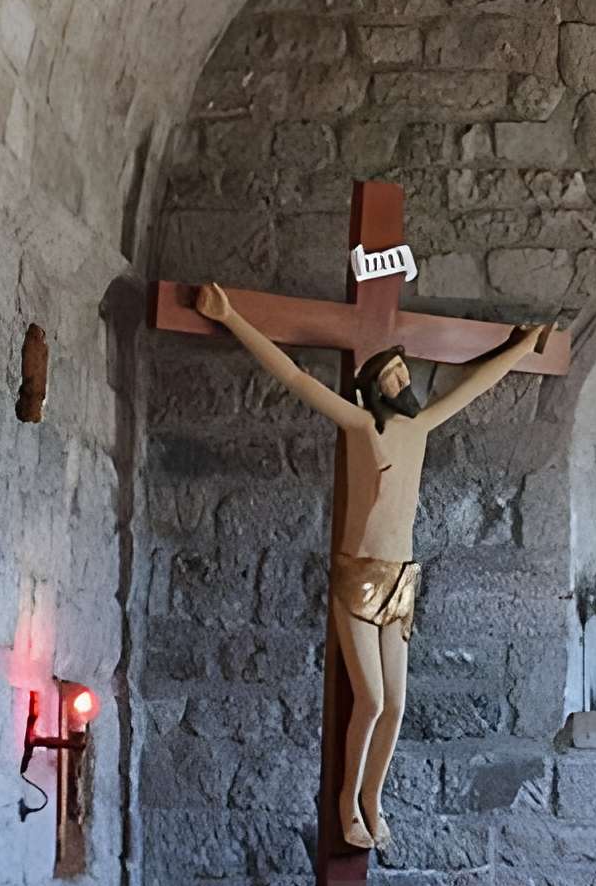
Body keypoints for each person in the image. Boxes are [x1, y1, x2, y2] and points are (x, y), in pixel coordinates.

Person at [192, 284, 558, 849]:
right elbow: (294, 377)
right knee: (372, 699)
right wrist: (232, 317)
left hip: (402, 576)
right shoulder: (362, 426)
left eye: (401, 374)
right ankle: (345, 797)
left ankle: (374, 795)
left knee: (399, 704)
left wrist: (523, 348)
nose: (399, 382)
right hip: (359, 573)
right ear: (372, 389)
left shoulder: (422, 426)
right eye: (387, 377)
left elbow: (476, 384)